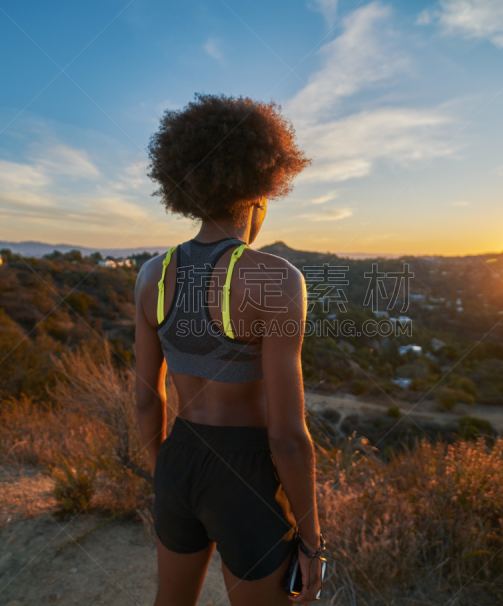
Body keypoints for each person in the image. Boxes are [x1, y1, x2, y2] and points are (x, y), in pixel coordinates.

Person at [134, 94, 322, 606]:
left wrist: (165, 469)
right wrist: (312, 540)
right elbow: (287, 436)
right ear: (260, 192)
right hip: (246, 473)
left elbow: (147, 400)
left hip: (179, 456)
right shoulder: (276, 279)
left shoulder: (153, 274)